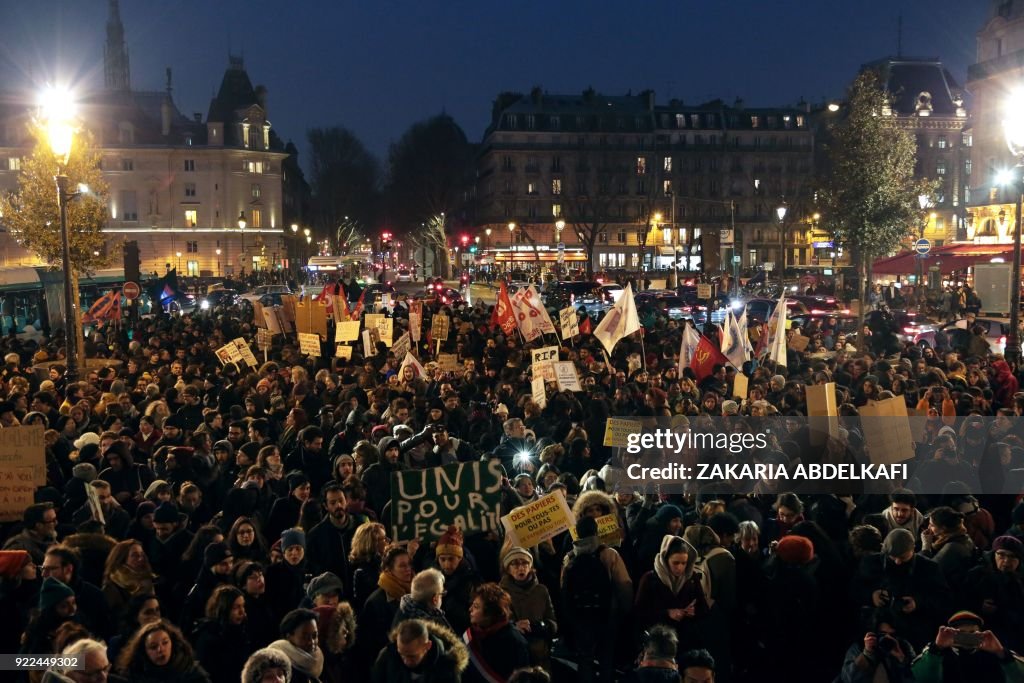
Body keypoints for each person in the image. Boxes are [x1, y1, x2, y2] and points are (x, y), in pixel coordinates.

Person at [561, 516, 632, 683]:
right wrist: (625, 610)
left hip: (580, 618)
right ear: (596, 531)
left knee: (585, 659)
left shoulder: (569, 558)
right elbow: (624, 585)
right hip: (607, 614)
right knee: (606, 657)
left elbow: (563, 588)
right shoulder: (609, 554)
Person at [912, 610, 1024, 682]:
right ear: (952, 633)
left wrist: (1001, 653)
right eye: (961, 633)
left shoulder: (995, 652)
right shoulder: (937, 652)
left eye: (972, 633)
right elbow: (921, 678)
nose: (967, 637)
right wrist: (937, 649)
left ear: (980, 633)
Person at [500, 546, 557, 669]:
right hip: (516, 655)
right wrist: (515, 627)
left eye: (525, 563)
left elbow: (553, 622)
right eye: (515, 564)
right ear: (508, 569)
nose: (521, 567)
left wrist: (538, 626)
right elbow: (498, 624)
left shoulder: (541, 590)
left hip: (541, 655)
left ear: (530, 567)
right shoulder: (501, 594)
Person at [463, 583, 530, 683]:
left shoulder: (515, 642)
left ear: (490, 613)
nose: (470, 609)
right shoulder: (473, 634)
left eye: (476, 607)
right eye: (472, 605)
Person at [371, 618, 468, 683]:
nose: (405, 661)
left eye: (411, 656)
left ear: (428, 646)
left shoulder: (447, 669)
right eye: (401, 654)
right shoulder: (387, 656)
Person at [115, 619, 211, 683]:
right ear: (143, 651)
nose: (160, 650)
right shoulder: (135, 675)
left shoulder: (192, 672)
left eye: (165, 643)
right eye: (153, 647)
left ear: (172, 643)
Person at [192, 584, 252, 683]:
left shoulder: (241, 630)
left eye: (242, 606)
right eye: (236, 607)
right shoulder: (209, 639)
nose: (242, 611)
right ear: (223, 609)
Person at [838, 609, 915, 683]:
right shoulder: (859, 647)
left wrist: (901, 659)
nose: (887, 638)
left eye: (892, 635)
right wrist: (867, 654)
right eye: (883, 634)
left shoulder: (904, 646)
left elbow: (916, 679)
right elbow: (848, 679)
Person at [268, 608, 323, 683]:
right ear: (289, 636)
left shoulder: (316, 660)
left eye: (314, 636)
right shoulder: (277, 666)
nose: (311, 642)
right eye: (305, 637)